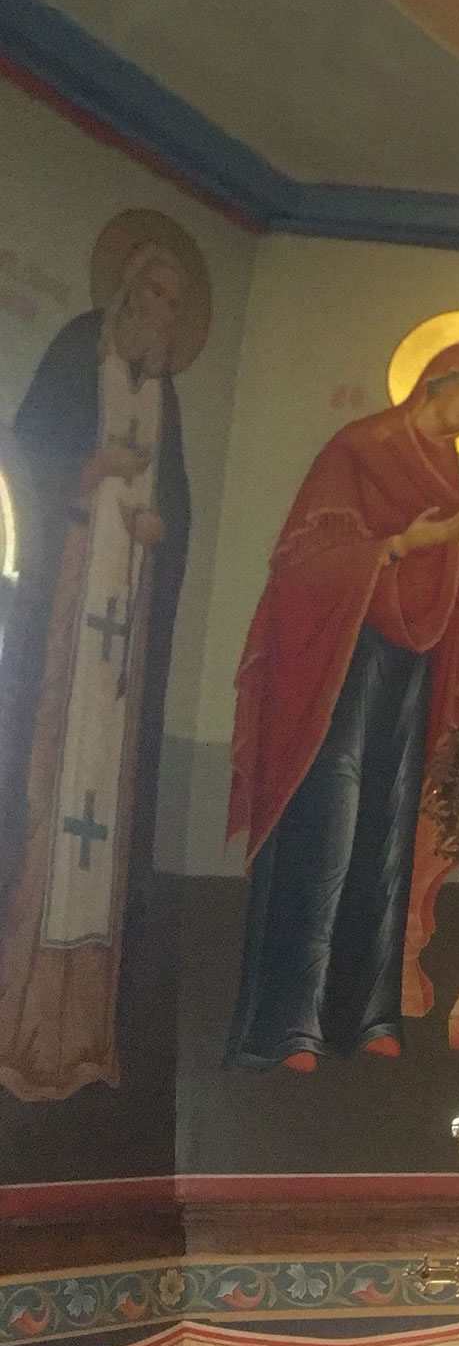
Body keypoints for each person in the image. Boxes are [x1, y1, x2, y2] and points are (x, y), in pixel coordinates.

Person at [224, 350, 459, 1072]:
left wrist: (453, 545)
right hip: (337, 660)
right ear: (444, 380)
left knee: (389, 824)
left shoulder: (445, 467)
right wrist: (403, 544)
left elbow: (448, 573)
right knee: (329, 821)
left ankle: (368, 1011)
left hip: (407, 664)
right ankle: (290, 1023)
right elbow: (301, 559)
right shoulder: (359, 448)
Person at [0, 226, 200, 1101]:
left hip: (121, 640)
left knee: (103, 811)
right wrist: (89, 473)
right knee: (44, 790)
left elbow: (175, 511)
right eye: (151, 292)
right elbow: (23, 465)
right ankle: (16, 1016)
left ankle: (83, 1032)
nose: (160, 313)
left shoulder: (165, 397)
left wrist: (161, 532)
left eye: (174, 304)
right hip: (62, 619)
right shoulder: (80, 352)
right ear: (123, 289)